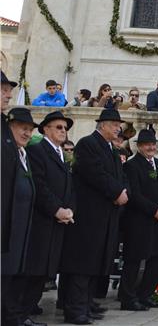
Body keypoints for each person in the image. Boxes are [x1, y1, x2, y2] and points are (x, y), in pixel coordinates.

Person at [60, 108, 128, 325]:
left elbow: (120, 175)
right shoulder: (88, 144)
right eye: (115, 125)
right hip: (89, 214)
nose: (118, 129)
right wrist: (116, 192)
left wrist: (124, 191)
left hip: (106, 215)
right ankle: (75, 308)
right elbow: (94, 173)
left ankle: (87, 303)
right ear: (103, 125)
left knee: (96, 264)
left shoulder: (111, 149)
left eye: (119, 125)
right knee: (82, 263)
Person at [21, 111, 75, 320]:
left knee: (43, 272)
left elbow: (69, 187)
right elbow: (39, 185)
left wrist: (70, 209)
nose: (63, 131)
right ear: (45, 129)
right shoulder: (38, 150)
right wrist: (56, 210)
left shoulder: (61, 153)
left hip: (58, 222)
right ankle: (19, 313)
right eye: (59, 127)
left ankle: (25, 312)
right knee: (33, 271)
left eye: (65, 128)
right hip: (41, 221)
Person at [119, 129, 158, 311]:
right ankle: (127, 297)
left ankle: (146, 294)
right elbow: (134, 195)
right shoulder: (132, 166)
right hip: (139, 220)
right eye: (147, 144)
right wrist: (155, 210)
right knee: (134, 259)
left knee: (157, 258)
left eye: (153, 144)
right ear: (139, 146)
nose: (151, 147)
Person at [1, 108, 38, 326]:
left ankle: (12, 315)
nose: (26, 133)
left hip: (23, 223)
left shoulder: (24, 154)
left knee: (16, 272)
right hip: (9, 223)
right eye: (22, 129)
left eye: (29, 130)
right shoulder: (7, 153)